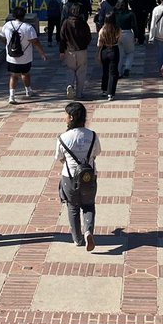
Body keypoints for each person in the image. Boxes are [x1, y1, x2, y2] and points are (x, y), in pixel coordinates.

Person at [55, 101, 101, 251]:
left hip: (69, 177)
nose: (65, 118)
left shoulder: (63, 137)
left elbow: (59, 157)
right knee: (88, 205)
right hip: (89, 176)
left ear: (72, 117)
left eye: (66, 115)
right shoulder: (92, 135)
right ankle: (88, 230)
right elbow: (96, 153)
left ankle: (77, 238)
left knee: (73, 207)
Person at [0, 4, 47, 104]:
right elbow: (35, 42)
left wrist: (8, 45)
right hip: (25, 57)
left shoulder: (7, 25)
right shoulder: (28, 28)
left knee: (13, 76)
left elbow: (2, 38)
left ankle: (12, 96)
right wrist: (42, 53)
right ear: (24, 16)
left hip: (11, 57)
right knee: (25, 73)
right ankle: (28, 91)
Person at [59, 0, 92, 98]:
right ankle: (79, 93)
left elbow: (62, 38)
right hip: (81, 50)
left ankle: (69, 85)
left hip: (69, 51)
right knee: (81, 72)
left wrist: (61, 51)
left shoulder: (66, 23)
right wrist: (85, 44)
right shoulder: (83, 23)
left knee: (70, 70)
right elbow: (88, 37)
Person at [96, 15, 121, 101]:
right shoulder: (117, 29)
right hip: (114, 49)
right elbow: (119, 39)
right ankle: (110, 93)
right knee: (113, 72)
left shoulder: (102, 30)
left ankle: (104, 89)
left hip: (104, 50)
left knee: (105, 71)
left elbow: (99, 43)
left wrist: (98, 53)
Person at [114, 0, 136, 77]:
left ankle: (118, 72)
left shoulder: (114, 13)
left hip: (117, 34)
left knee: (119, 54)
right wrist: (136, 36)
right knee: (130, 52)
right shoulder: (130, 13)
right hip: (127, 33)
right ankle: (127, 67)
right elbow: (134, 26)